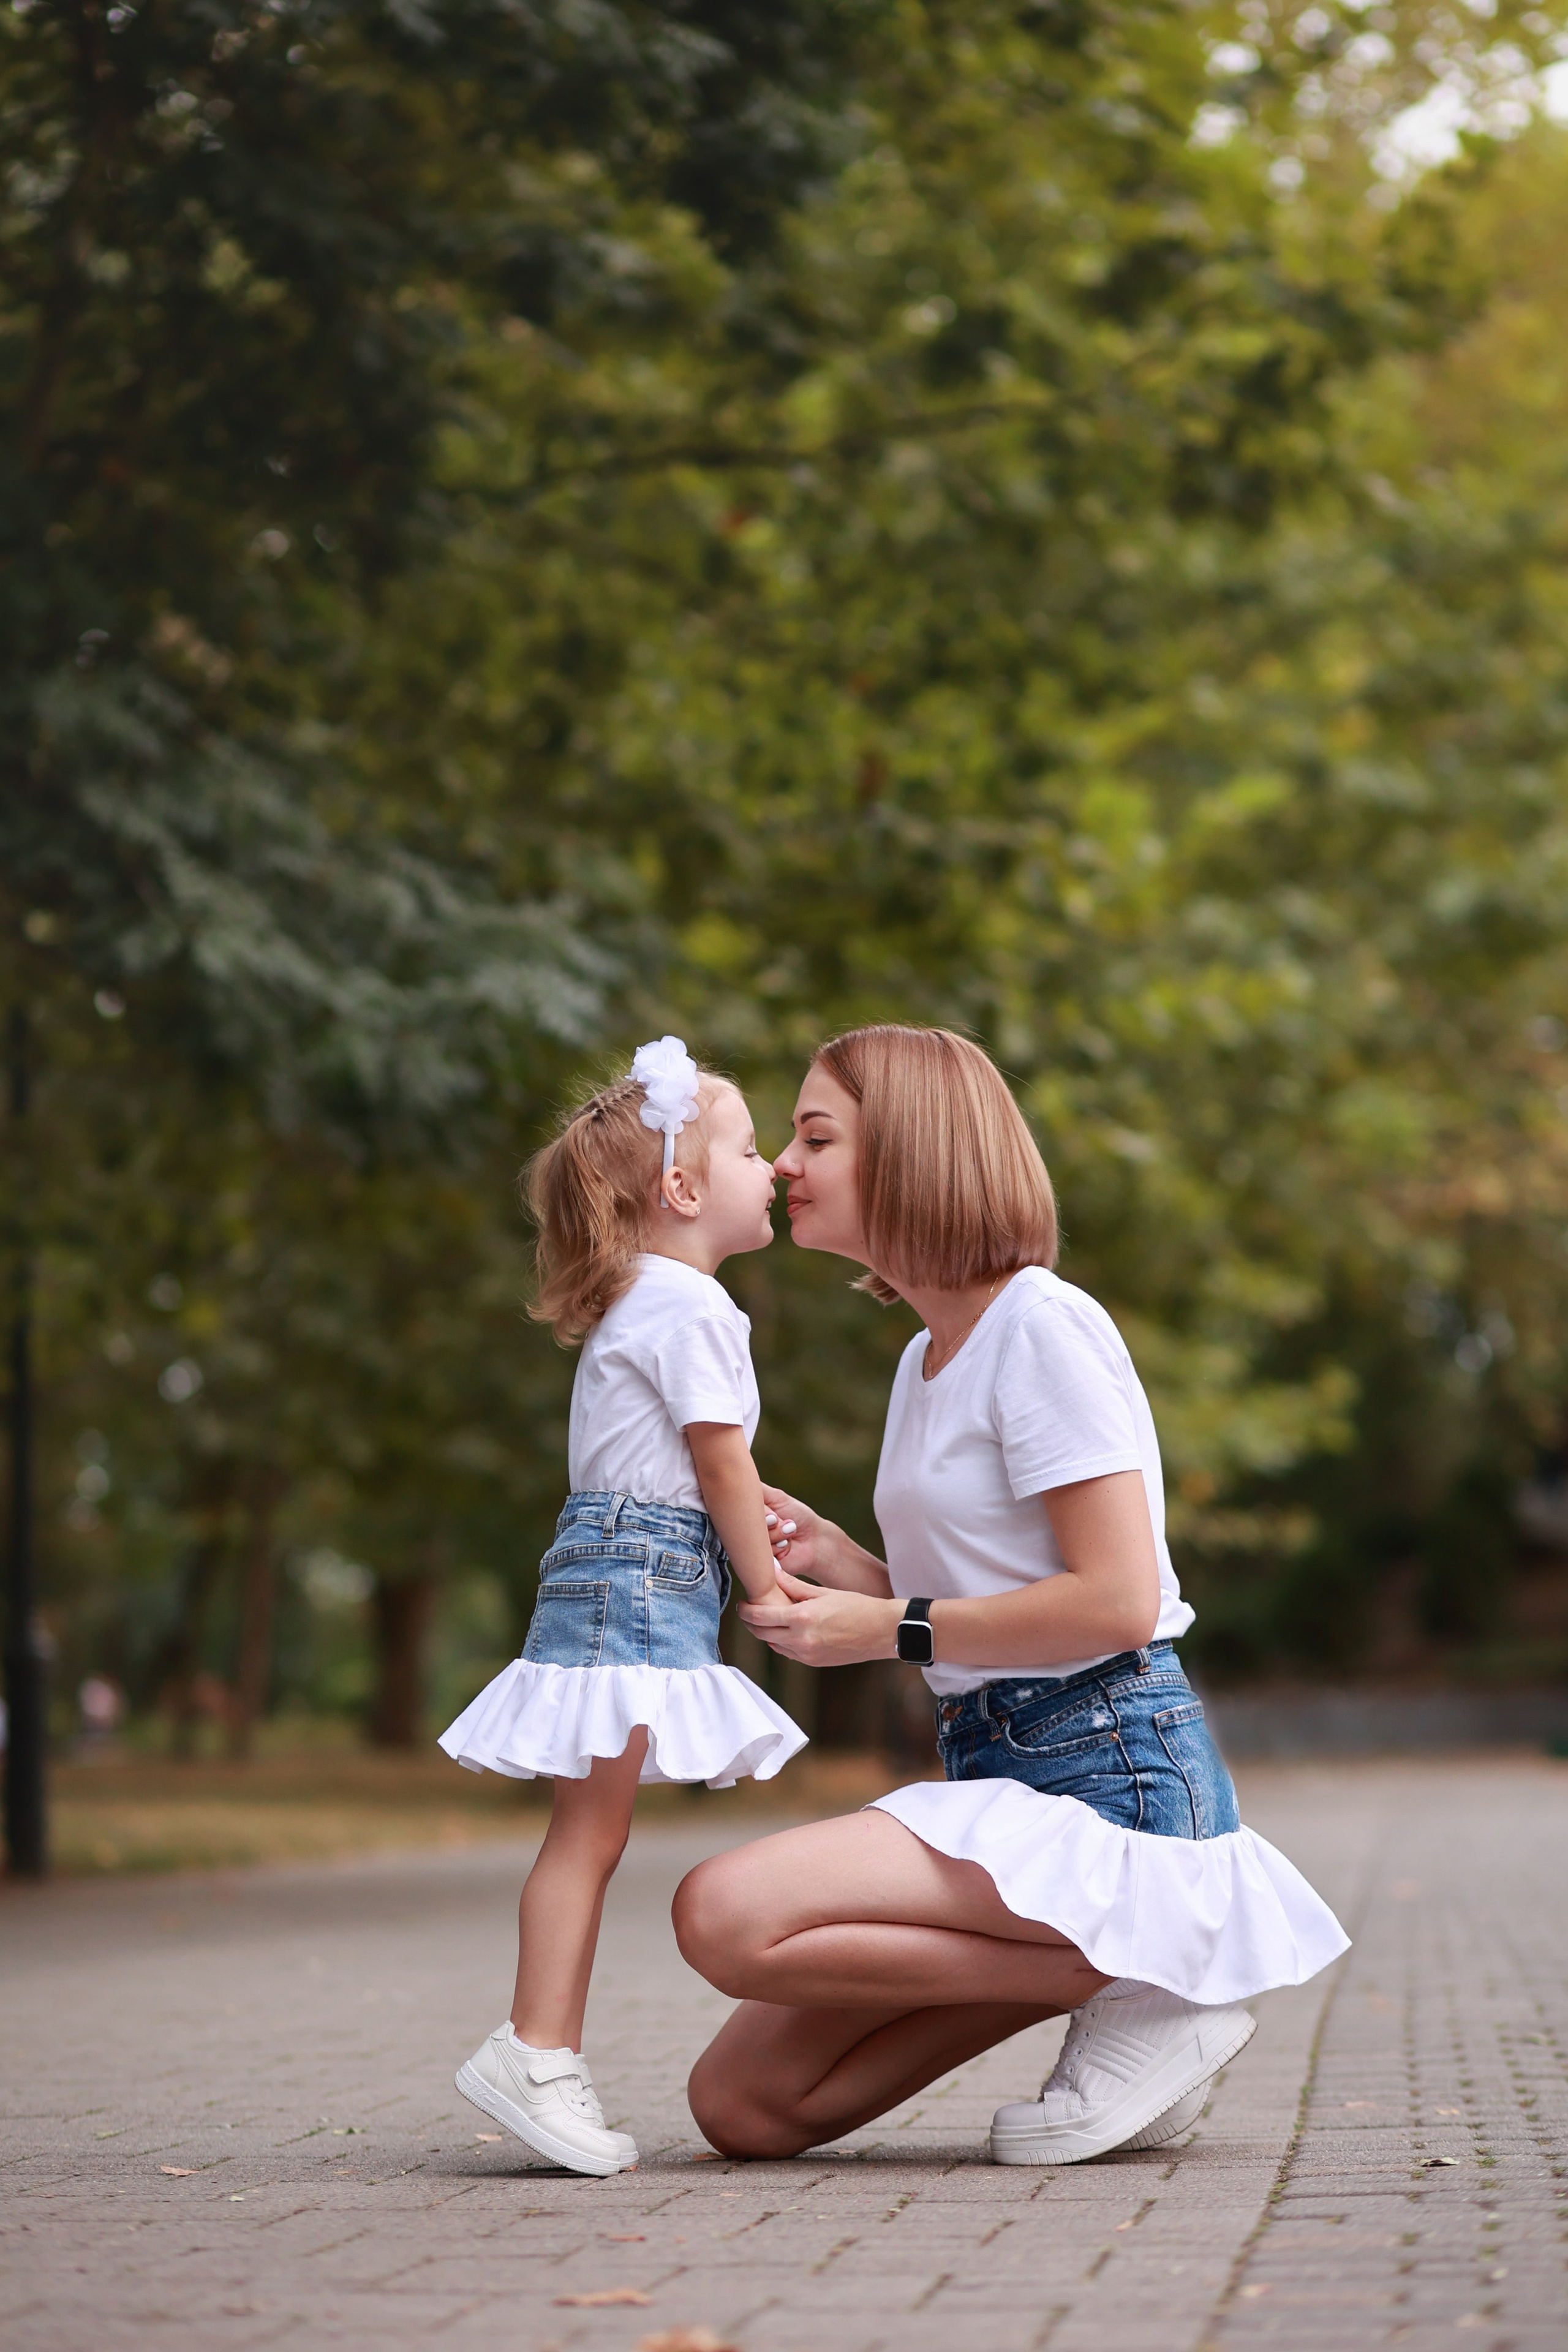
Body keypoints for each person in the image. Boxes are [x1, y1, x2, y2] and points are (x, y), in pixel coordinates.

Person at [673, 1025, 1348, 2165]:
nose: (785, 1163)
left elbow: (1119, 1602)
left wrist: (892, 1624)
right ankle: (1127, 1978)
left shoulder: (1041, 1325)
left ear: (915, 1154)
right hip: (998, 1762)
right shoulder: (929, 1355)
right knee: (745, 2107)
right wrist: (852, 1565)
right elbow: (993, 1600)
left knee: (725, 1914)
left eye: (815, 1136)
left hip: (1111, 1778)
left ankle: (1142, 1970)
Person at [438, 1037, 806, 2176]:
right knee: (588, 1835)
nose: (775, 1169)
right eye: (751, 1151)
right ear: (685, 1189)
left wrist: (736, 1531)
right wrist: (771, 1584)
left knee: (588, 1832)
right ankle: (534, 2048)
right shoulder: (693, 1307)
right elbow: (719, 1463)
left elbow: (704, 1473)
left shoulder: (644, 1300)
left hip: (626, 1565)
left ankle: (541, 2046)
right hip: (638, 1577)